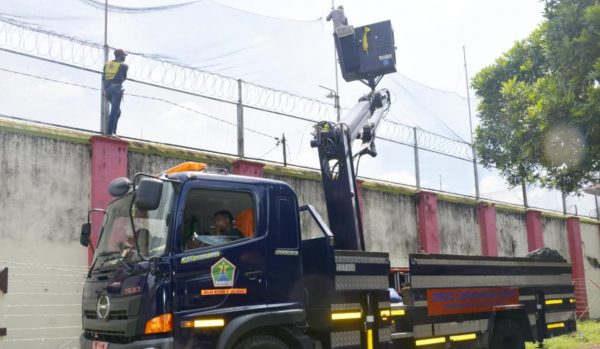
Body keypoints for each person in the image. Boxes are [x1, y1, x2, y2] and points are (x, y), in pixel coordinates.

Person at [103, 48, 129, 136]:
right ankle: (110, 133)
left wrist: (107, 90)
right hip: (116, 89)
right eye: (124, 56)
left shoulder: (107, 65)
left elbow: (103, 78)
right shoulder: (124, 65)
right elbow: (123, 78)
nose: (125, 57)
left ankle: (113, 132)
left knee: (117, 112)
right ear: (120, 56)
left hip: (107, 90)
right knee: (114, 111)